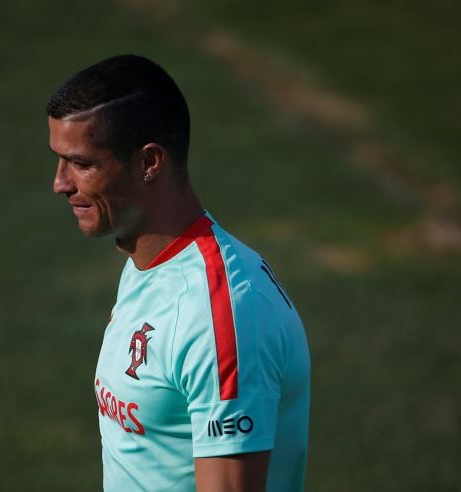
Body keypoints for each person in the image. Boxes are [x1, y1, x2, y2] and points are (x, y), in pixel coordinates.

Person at [46, 54, 310, 492]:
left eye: (81, 163)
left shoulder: (217, 315)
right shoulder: (147, 263)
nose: (60, 183)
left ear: (149, 162)